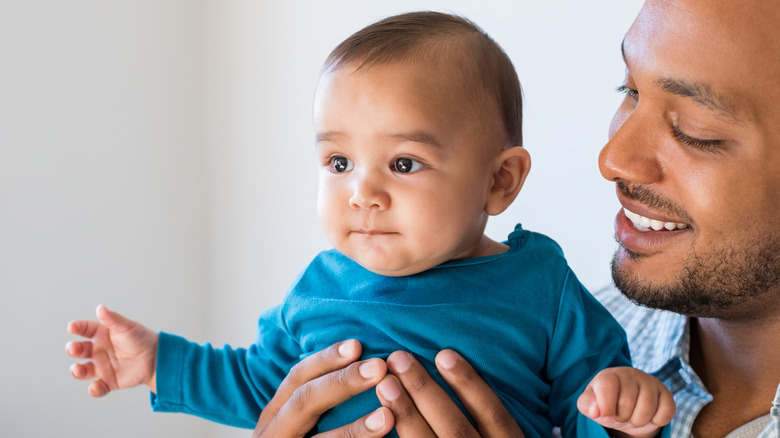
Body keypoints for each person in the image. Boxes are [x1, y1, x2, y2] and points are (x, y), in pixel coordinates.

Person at [65, 11, 675, 438]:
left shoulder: (540, 283)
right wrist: (158, 363)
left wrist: (623, 406)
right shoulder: (319, 283)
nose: (363, 194)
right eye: (338, 162)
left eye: (403, 163)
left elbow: (588, 399)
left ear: (499, 181)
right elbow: (257, 383)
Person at [248, 0, 780, 437]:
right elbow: (250, 376)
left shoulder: (556, 319)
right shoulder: (602, 335)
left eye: (695, 129)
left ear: (502, 179)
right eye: (630, 90)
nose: (612, 159)